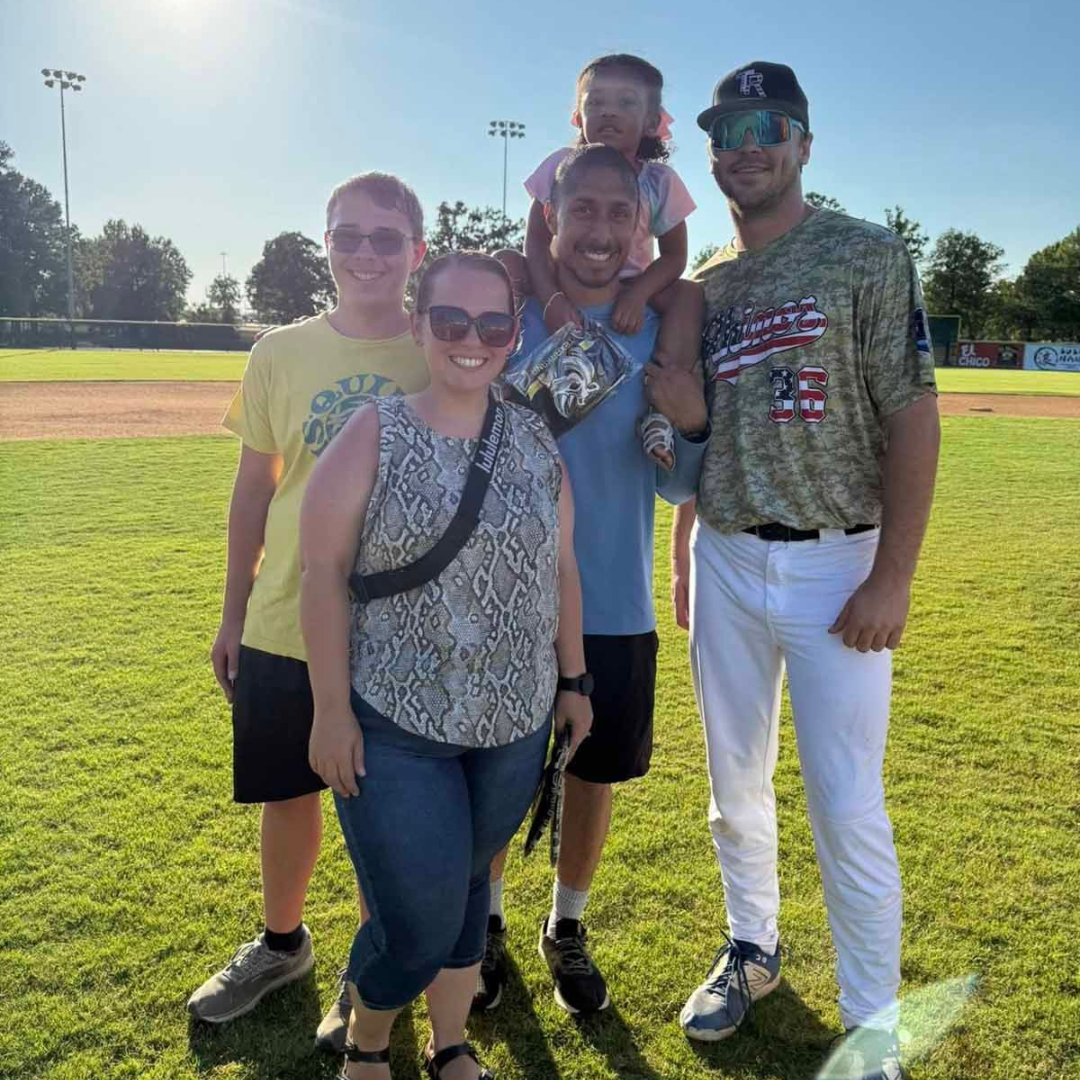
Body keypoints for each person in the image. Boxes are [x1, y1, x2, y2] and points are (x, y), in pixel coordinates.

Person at [671, 63, 940, 1080]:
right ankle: (754, 948)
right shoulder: (706, 285)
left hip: (840, 564)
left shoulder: (866, 253)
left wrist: (894, 576)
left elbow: (913, 414)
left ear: (803, 141)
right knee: (732, 788)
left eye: (765, 124)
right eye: (727, 128)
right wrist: (685, 557)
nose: (745, 142)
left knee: (846, 801)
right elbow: (696, 439)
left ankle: (874, 1028)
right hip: (728, 553)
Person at [299, 250, 592, 1080]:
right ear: (421, 325)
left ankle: (450, 1042)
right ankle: (366, 1044)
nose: (473, 339)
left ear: (514, 333)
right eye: (451, 321)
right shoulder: (375, 431)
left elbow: (561, 566)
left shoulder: (535, 436)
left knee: (466, 890)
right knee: (419, 917)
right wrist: (329, 710)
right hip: (397, 720)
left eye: (493, 324)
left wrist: (574, 681)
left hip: (515, 719)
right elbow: (320, 575)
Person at [187, 173, 429, 1053]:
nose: (366, 252)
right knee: (287, 795)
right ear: (325, 243)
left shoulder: (437, 349)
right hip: (285, 618)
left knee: (383, 813)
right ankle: (283, 945)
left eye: (386, 237)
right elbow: (254, 492)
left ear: (417, 252)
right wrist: (232, 612)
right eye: (348, 235)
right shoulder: (279, 354)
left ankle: (373, 971)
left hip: (396, 637)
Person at [477, 144, 709, 1017]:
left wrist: (687, 426)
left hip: (614, 601)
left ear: (642, 224)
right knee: (494, 773)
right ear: (553, 218)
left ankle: (566, 927)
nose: (602, 230)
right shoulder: (511, 310)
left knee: (592, 776)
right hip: (502, 599)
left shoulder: (661, 326)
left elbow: (680, 483)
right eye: (584, 212)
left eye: (622, 213)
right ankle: (487, 924)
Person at [500, 53, 700, 470]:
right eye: (596, 102)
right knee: (504, 262)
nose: (609, 111)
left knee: (688, 296)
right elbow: (535, 243)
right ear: (577, 116)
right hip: (561, 277)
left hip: (629, 286)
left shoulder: (659, 180)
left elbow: (676, 256)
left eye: (626, 102)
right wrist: (551, 299)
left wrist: (640, 293)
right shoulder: (559, 165)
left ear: (651, 121)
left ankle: (661, 407)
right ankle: (496, 359)